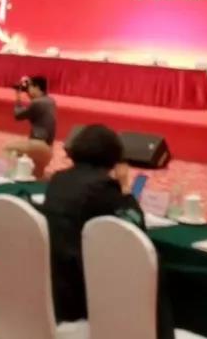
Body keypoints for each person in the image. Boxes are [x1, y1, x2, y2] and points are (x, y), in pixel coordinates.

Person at [41, 124, 173, 337]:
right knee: (150, 263)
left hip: (56, 284)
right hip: (84, 292)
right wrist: (125, 187)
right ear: (113, 157)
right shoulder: (103, 188)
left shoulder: (58, 179)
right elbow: (135, 226)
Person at [6, 75, 56, 177]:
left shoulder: (37, 103)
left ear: (36, 87)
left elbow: (18, 115)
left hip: (38, 145)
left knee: (8, 149)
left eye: (30, 87)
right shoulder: (51, 101)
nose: (28, 90)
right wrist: (27, 90)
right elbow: (34, 102)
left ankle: (4, 177)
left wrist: (18, 97)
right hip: (48, 149)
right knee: (37, 175)